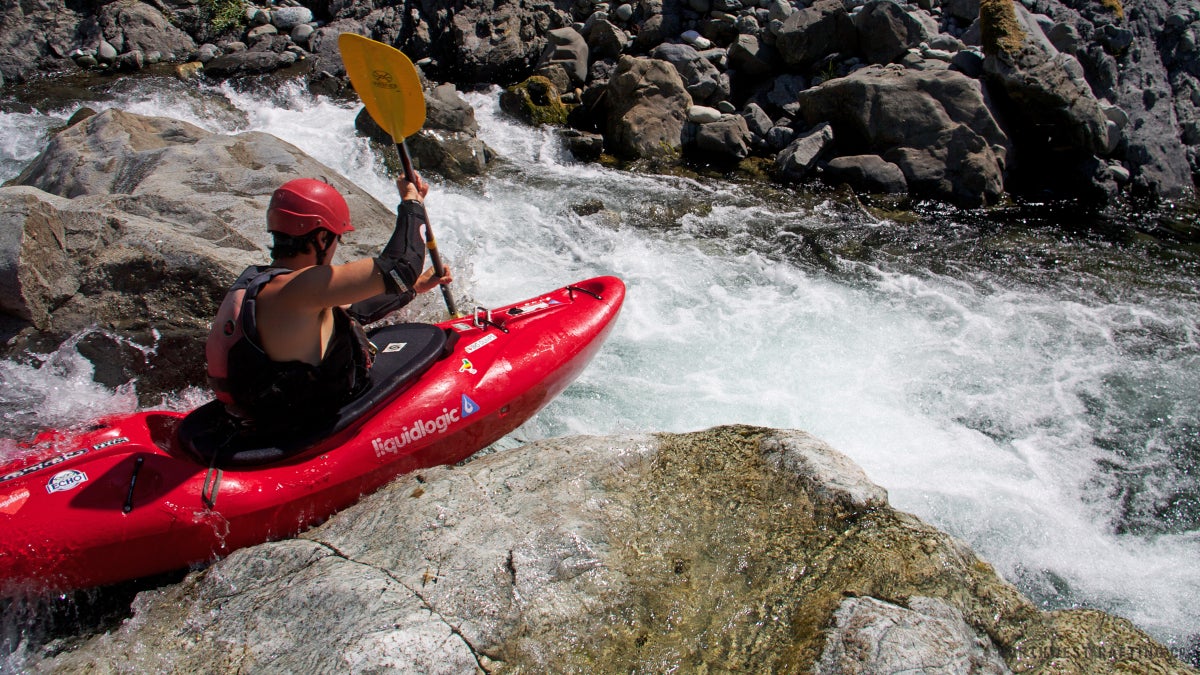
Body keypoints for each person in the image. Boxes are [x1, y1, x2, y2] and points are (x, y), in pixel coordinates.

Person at [206, 175, 452, 432]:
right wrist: (412, 203)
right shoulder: (301, 288)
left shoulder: (262, 283)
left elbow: (351, 310)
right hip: (300, 425)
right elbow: (401, 268)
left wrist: (414, 289)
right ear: (322, 238)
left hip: (263, 411)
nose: (335, 246)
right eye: (337, 238)